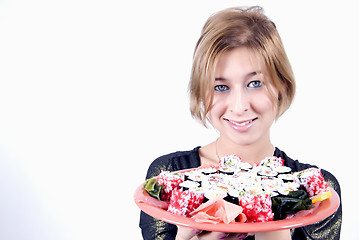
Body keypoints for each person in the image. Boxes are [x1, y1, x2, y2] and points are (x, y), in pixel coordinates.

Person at [139, 6, 342, 240]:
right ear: (202, 94)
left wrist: (273, 224)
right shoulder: (169, 176)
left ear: (282, 86)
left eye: (255, 83)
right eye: (220, 87)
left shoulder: (318, 193)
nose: (239, 106)